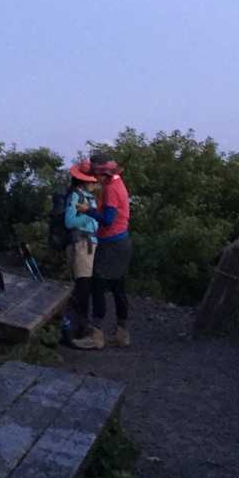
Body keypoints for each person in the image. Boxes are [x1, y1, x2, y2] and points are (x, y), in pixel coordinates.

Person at [73, 149, 131, 350]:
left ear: (101, 173)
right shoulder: (118, 183)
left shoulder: (111, 189)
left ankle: (96, 336)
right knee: (118, 288)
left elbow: (107, 220)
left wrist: (87, 210)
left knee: (98, 287)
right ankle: (122, 334)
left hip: (110, 245)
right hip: (123, 242)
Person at [63, 161, 99, 340]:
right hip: (82, 244)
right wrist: (89, 216)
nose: (95, 183)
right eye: (92, 181)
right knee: (82, 287)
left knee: (85, 287)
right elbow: (69, 222)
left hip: (90, 245)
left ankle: (80, 325)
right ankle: (80, 327)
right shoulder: (76, 196)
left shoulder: (88, 197)